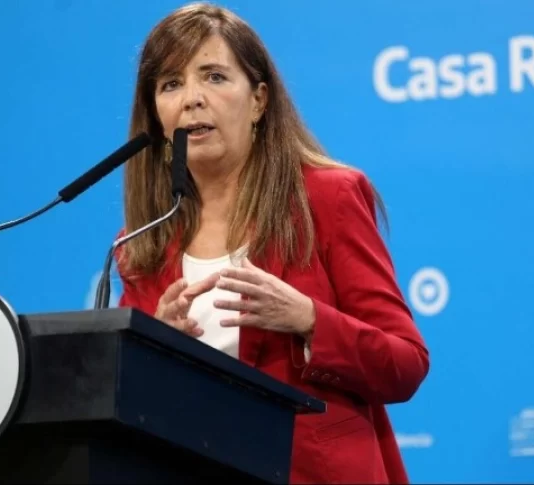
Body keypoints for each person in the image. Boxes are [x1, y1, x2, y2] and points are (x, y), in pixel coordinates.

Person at [115, 2, 430, 483]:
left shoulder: (327, 198)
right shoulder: (143, 241)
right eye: (171, 84)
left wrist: (309, 319)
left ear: (259, 100)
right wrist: (153, 345)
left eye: (214, 77)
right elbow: (126, 403)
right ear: (157, 116)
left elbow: (405, 363)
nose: (192, 99)